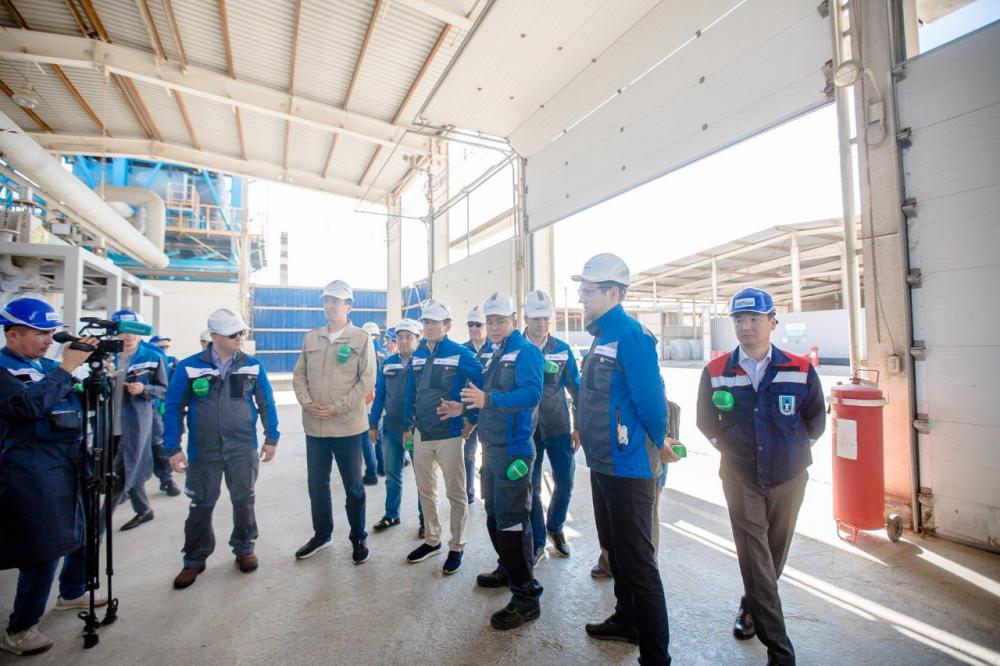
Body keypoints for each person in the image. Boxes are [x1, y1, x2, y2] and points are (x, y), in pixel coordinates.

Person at [696, 288, 825, 666]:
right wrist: (731, 449)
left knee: (774, 552)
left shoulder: (800, 369)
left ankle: (751, 604)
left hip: (789, 476)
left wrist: (792, 450)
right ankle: (780, 650)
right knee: (755, 555)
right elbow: (706, 421)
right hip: (740, 476)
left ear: (772, 322)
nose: (746, 326)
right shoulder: (716, 371)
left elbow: (815, 419)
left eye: (754, 319)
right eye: (739, 320)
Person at [573, 253, 677, 665]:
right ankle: (626, 619)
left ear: (613, 293)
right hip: (603, 463)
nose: (581, 297)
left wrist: (659, 440)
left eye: (588, 290)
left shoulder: (631, 336)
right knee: (615, 551)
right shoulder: (603, 335)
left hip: (629, 467)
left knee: (638, 564)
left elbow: (651, 400)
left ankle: (655, 656)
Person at [0, 298, 103, 656]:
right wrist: (67, 368)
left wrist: (92, 376)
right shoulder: (4, 370)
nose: (48, 340)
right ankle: (20, 628)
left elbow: (76, 405)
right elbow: (27, 407)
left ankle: (72, 592)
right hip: (29, 468)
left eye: (51, 333)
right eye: (40, 333)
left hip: (68, 461)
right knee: (43, 547)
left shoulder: (46, 366)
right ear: (13, 334)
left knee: (83, 530)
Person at [164, 308, 279, 588]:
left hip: (243, 448)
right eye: (232, 334)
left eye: (242, 333)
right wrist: (173, 447)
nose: (240, 338)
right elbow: (173, 408)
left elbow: (266, 403)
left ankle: (244, 548)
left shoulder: (252, 365)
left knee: (244, 499)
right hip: (205, 450)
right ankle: (194, 558)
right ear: (214, 336)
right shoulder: (190, 367)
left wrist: (271, 437)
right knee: (201, 504)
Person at [455, 293, 544, 630]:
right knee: (494, 514)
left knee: (512, 522)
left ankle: (526, 597)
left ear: (514, 321)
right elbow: (486, 401)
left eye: (499, 321)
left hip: (514, 451)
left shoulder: (526, 352)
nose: (493, 326)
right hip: (492, 449)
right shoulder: (496, 354)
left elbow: (532, 394)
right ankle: (508, 568)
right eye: (489, 321)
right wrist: (465, 408)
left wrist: (487, 398)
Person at [292, 280, 376, 565]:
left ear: (348, 306)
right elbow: (299, 376)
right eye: (326, 300)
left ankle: (358, 538)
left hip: (347, 427)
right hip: (315, 426)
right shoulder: (311, 338)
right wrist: (306, 402)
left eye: (335, 301)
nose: (329, 305)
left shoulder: (361, 339)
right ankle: (322, 534)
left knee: (353, 486)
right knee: (317, 485)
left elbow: (366, 381)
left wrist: (337, 408)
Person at [402, 299, 483, 575]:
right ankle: (432, 539)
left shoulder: (460, 354)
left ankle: (457, 545)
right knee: (425, 490)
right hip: (422, 434)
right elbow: (410, 392)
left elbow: (484, 385)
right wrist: (406, 426)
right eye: (425, 322)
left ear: (447, 325)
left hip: (449, 435)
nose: (428, 327)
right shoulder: (418, 354)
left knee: (456, 493)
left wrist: (470, 417)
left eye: (434, 322)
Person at [523, 290, 580, 562]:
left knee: (565, 480)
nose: (541, 323)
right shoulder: (516, 350)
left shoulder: (562, 350)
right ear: (525, 318)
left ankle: (554, 527)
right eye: (536, 318)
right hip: (527, 431)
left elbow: (577, 389)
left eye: (546, 318)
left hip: (558, 427)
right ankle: (537, 540)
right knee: (531, 486)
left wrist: (578, 426)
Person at [110, 309, 168, 531]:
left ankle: (98, 527)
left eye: (134, 330)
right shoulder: (105, 356)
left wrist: (144, 389)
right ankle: (144, 509)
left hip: (135, 423)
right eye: (124, 330)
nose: (128, 335)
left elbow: (163, 389)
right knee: (127, 467)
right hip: (108, 423)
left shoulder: (152, 357)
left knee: (122, 472)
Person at [368, 318, 423, 534]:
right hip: (391, 428)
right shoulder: (388, 363)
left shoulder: (423, 363)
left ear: (417, 339)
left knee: (422, 477)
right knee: (392, 475)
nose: (404, 341)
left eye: (408, 337)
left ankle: (425, 519)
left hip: (417, 430)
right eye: (400, 337)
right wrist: (373, 423)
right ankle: (391, 514)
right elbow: (380, 395)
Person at [461, 305, 493, 504]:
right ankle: (468, 494)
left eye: (477, 324)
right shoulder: (462, 350)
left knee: (488, 454)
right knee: (467, 455)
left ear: (486, 325)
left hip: (491, 410)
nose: (473, 328)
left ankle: (488, 494)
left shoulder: (496, 348)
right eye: (470, 324)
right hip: (468, 411)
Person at [146, 335, 181, 497]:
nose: (163, 350)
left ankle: (166, 478)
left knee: (159, 441)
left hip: (165, 407)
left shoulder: (172, 362)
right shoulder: (147, 360)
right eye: (160, 347)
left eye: (166, 347)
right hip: (145, 405)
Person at [361, 321, 385, 482]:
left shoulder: (362, 354)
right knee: (379, 437)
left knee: (367, 439)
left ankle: (371, 473)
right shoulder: (384, 355)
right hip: (380, 401)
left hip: (367, 402)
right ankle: (382, 467)